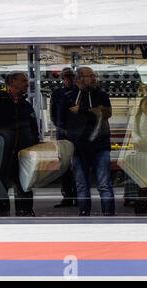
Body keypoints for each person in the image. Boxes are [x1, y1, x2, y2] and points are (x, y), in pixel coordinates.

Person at [61, 66, 115, 216]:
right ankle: (84, 215)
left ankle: (109, 216)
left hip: (100, 145)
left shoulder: (102, 94)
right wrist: (94, 111)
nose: (94, 78)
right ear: (79, 79)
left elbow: (106, 113)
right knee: (81, 185)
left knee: (104, 184)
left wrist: (81, 112)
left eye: (93, 75)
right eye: (90, 76)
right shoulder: (69, 96)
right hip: (78, 148)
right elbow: (64, 120)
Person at [0, 72, 39, 216]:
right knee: (1, 183)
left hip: (23, 154)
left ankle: (25, 212)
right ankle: (1, 212)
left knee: (24, 184)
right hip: (2, 154)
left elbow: (34, 129)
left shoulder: (25, 105)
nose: (27, 84)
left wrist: (35, 144)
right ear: (12, 82)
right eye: (23, 81)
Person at [50, 67, 77, 208]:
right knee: (64, 166)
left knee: (78, 165)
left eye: (71, 76)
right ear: (62, 78)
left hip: (77, 134)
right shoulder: (57, 94)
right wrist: (61, 128)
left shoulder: (80, 92)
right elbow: (53, 114)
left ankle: (78, 196)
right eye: (67, 76)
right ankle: (67, 196)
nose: (69, 79)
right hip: (63, 134)